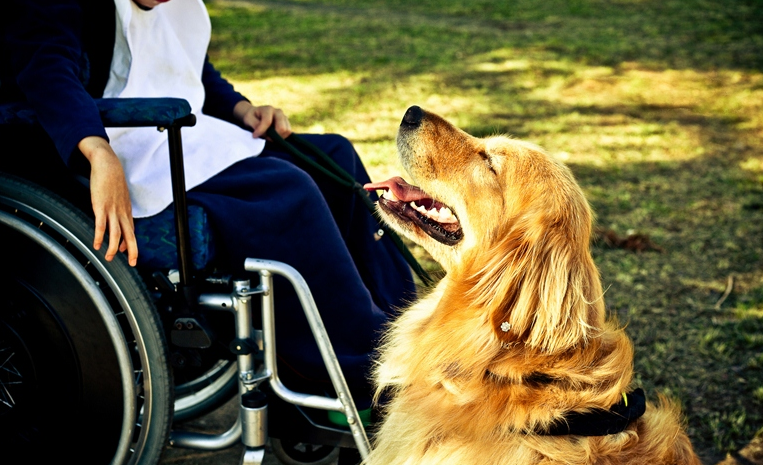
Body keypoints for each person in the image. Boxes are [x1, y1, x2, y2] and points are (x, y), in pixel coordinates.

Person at [0, 0, 415, 409]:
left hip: (175, 134)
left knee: (336, 158)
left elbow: (183, 66)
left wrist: (242, 109)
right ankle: (364, 372)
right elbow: (46, 72)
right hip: (115, 149)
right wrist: (96, 151)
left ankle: (407, 331)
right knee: (287, 192)